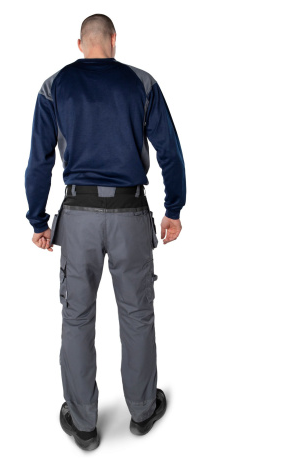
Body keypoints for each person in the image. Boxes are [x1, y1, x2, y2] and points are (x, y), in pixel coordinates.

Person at [24, 13, 186, 451]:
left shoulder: (55, 86)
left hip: (77, 217)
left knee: (77, 316)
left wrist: (39, 220)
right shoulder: (142, 84)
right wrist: (173, 209)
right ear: (113, 40)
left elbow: (39, 160)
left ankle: (83, 423)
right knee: (137, 313)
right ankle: (143, 410)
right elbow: (170, 151)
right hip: (131, 213)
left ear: (81, 44)